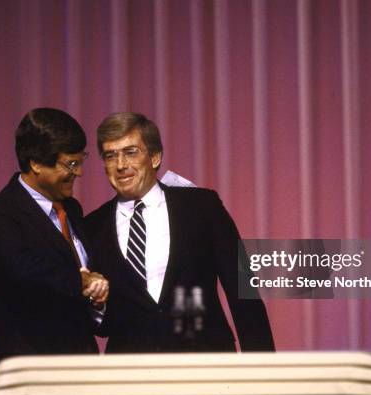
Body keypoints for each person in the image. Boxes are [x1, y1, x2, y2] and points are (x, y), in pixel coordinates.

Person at [84, 112, 274, 353]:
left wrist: (261, 371)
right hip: (131, 373)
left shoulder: (202, 206)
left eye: (131, 152)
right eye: (111, 156)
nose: (121, 165)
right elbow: (104, 324)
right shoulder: (92, 226)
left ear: (154, 157)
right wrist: (97, 305)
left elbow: (243, 291)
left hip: (204, 363)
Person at [0, 108, 108, 391]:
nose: (80, 172)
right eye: (71, 165)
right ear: (36, 163)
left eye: (80, 161)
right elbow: (24, 270)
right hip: (29, 375)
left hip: (80, 373)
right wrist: (83, 282)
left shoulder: (71, 209)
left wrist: (98, 295)